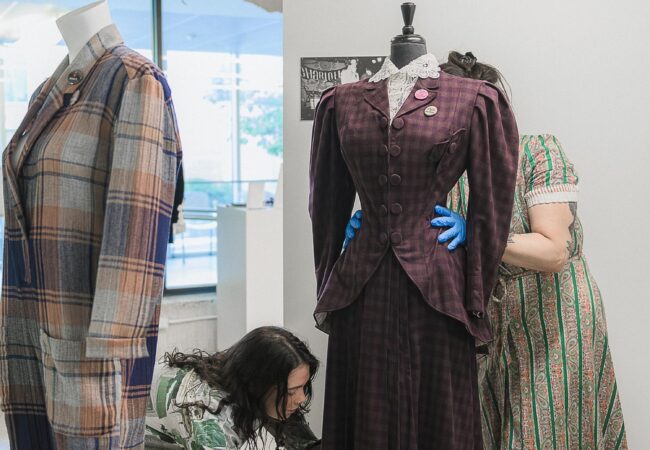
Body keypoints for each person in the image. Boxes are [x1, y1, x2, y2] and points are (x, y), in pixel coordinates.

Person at [343, 51, 627, 449]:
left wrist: (480, 236)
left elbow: (553, 250)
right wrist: (367, 231)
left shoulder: (536, 153)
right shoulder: (441, 168)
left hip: (552, 317)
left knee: (546, 431)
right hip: (484, 322)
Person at [146, 327, 321, 450]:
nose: (301, 398)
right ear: (258, 384)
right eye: (291, 392)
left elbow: (304, 444)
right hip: (134, 433)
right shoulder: (209, 419)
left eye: (303, 387)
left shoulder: (239, 377)